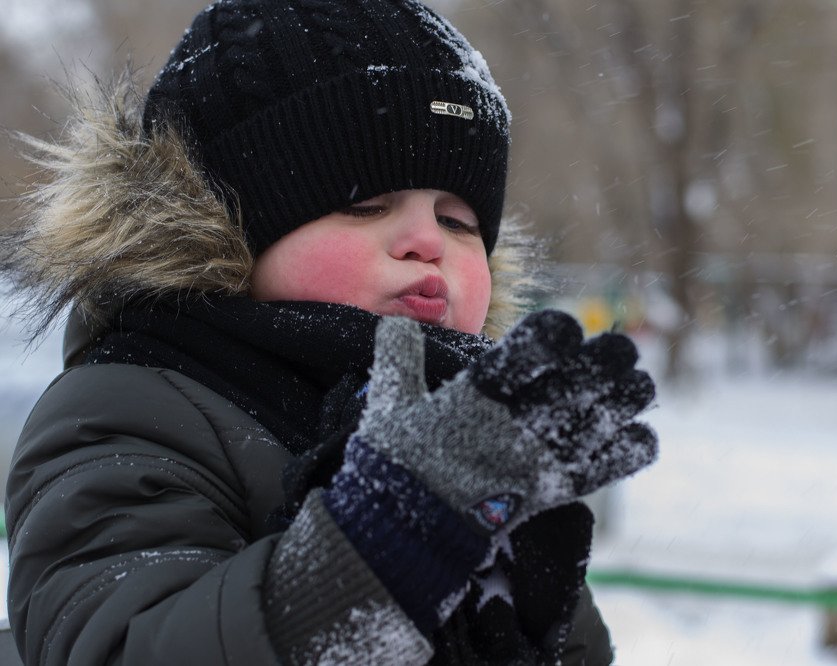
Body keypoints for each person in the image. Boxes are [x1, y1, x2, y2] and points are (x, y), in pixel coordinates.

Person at [1, 1, 658, 664]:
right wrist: (388, 542)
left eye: (458, 221)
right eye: (365, 204)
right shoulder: (128, 414)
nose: (427, 241)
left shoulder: (473, 445)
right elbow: (125, 644)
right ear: (232, 236)